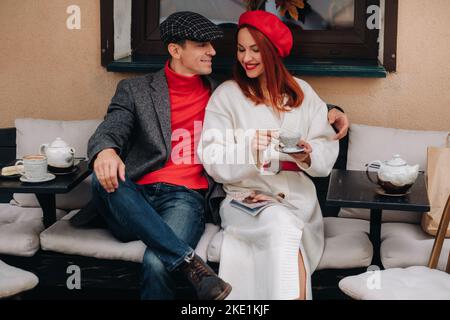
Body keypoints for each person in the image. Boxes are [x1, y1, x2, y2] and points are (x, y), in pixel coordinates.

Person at [87, 10, 348, 300]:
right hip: (153, 193)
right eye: (203, 45)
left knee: (157, 261)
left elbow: (299, 112)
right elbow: (112, 126)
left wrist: (329, 121)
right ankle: (189, 262)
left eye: (254, 49)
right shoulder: (142, 90)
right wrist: (105, 151)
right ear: (175, 50)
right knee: (101, 178)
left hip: (187, 197)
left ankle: (178, 258)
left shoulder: (217, 89)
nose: (215, 52)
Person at [198, 10, 339, 300]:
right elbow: (212, 157)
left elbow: (325, 149)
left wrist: (307, 156)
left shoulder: (304, 94)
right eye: (240, 49)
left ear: (273, 52)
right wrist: (251, 149)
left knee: (285, 225)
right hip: (245, 203)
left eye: (255, 49)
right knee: (279, 226)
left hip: (298, 202)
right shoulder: (227, 96)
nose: (245, 58)